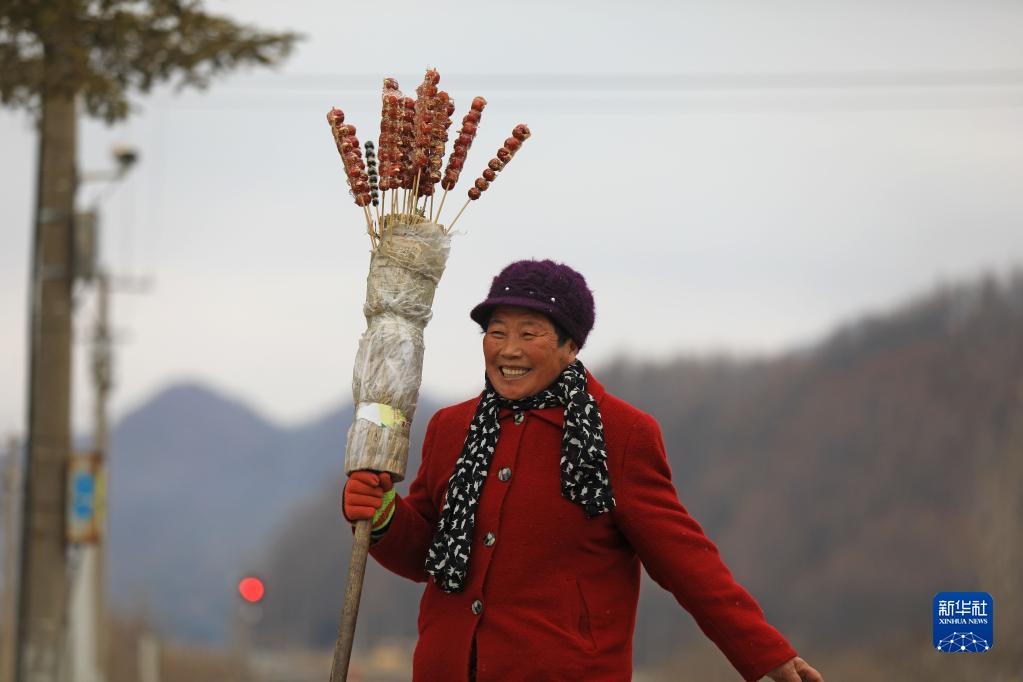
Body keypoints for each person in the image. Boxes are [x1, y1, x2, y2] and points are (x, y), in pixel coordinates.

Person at [342, 259, 823, 682]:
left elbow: (686, 561)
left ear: (571, 345)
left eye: (529, 333)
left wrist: (767, 654)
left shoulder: (622, 434)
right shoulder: (450, 428)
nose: (508, 349)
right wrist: (383, 514)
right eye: (496, 332)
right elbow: (427, 554)